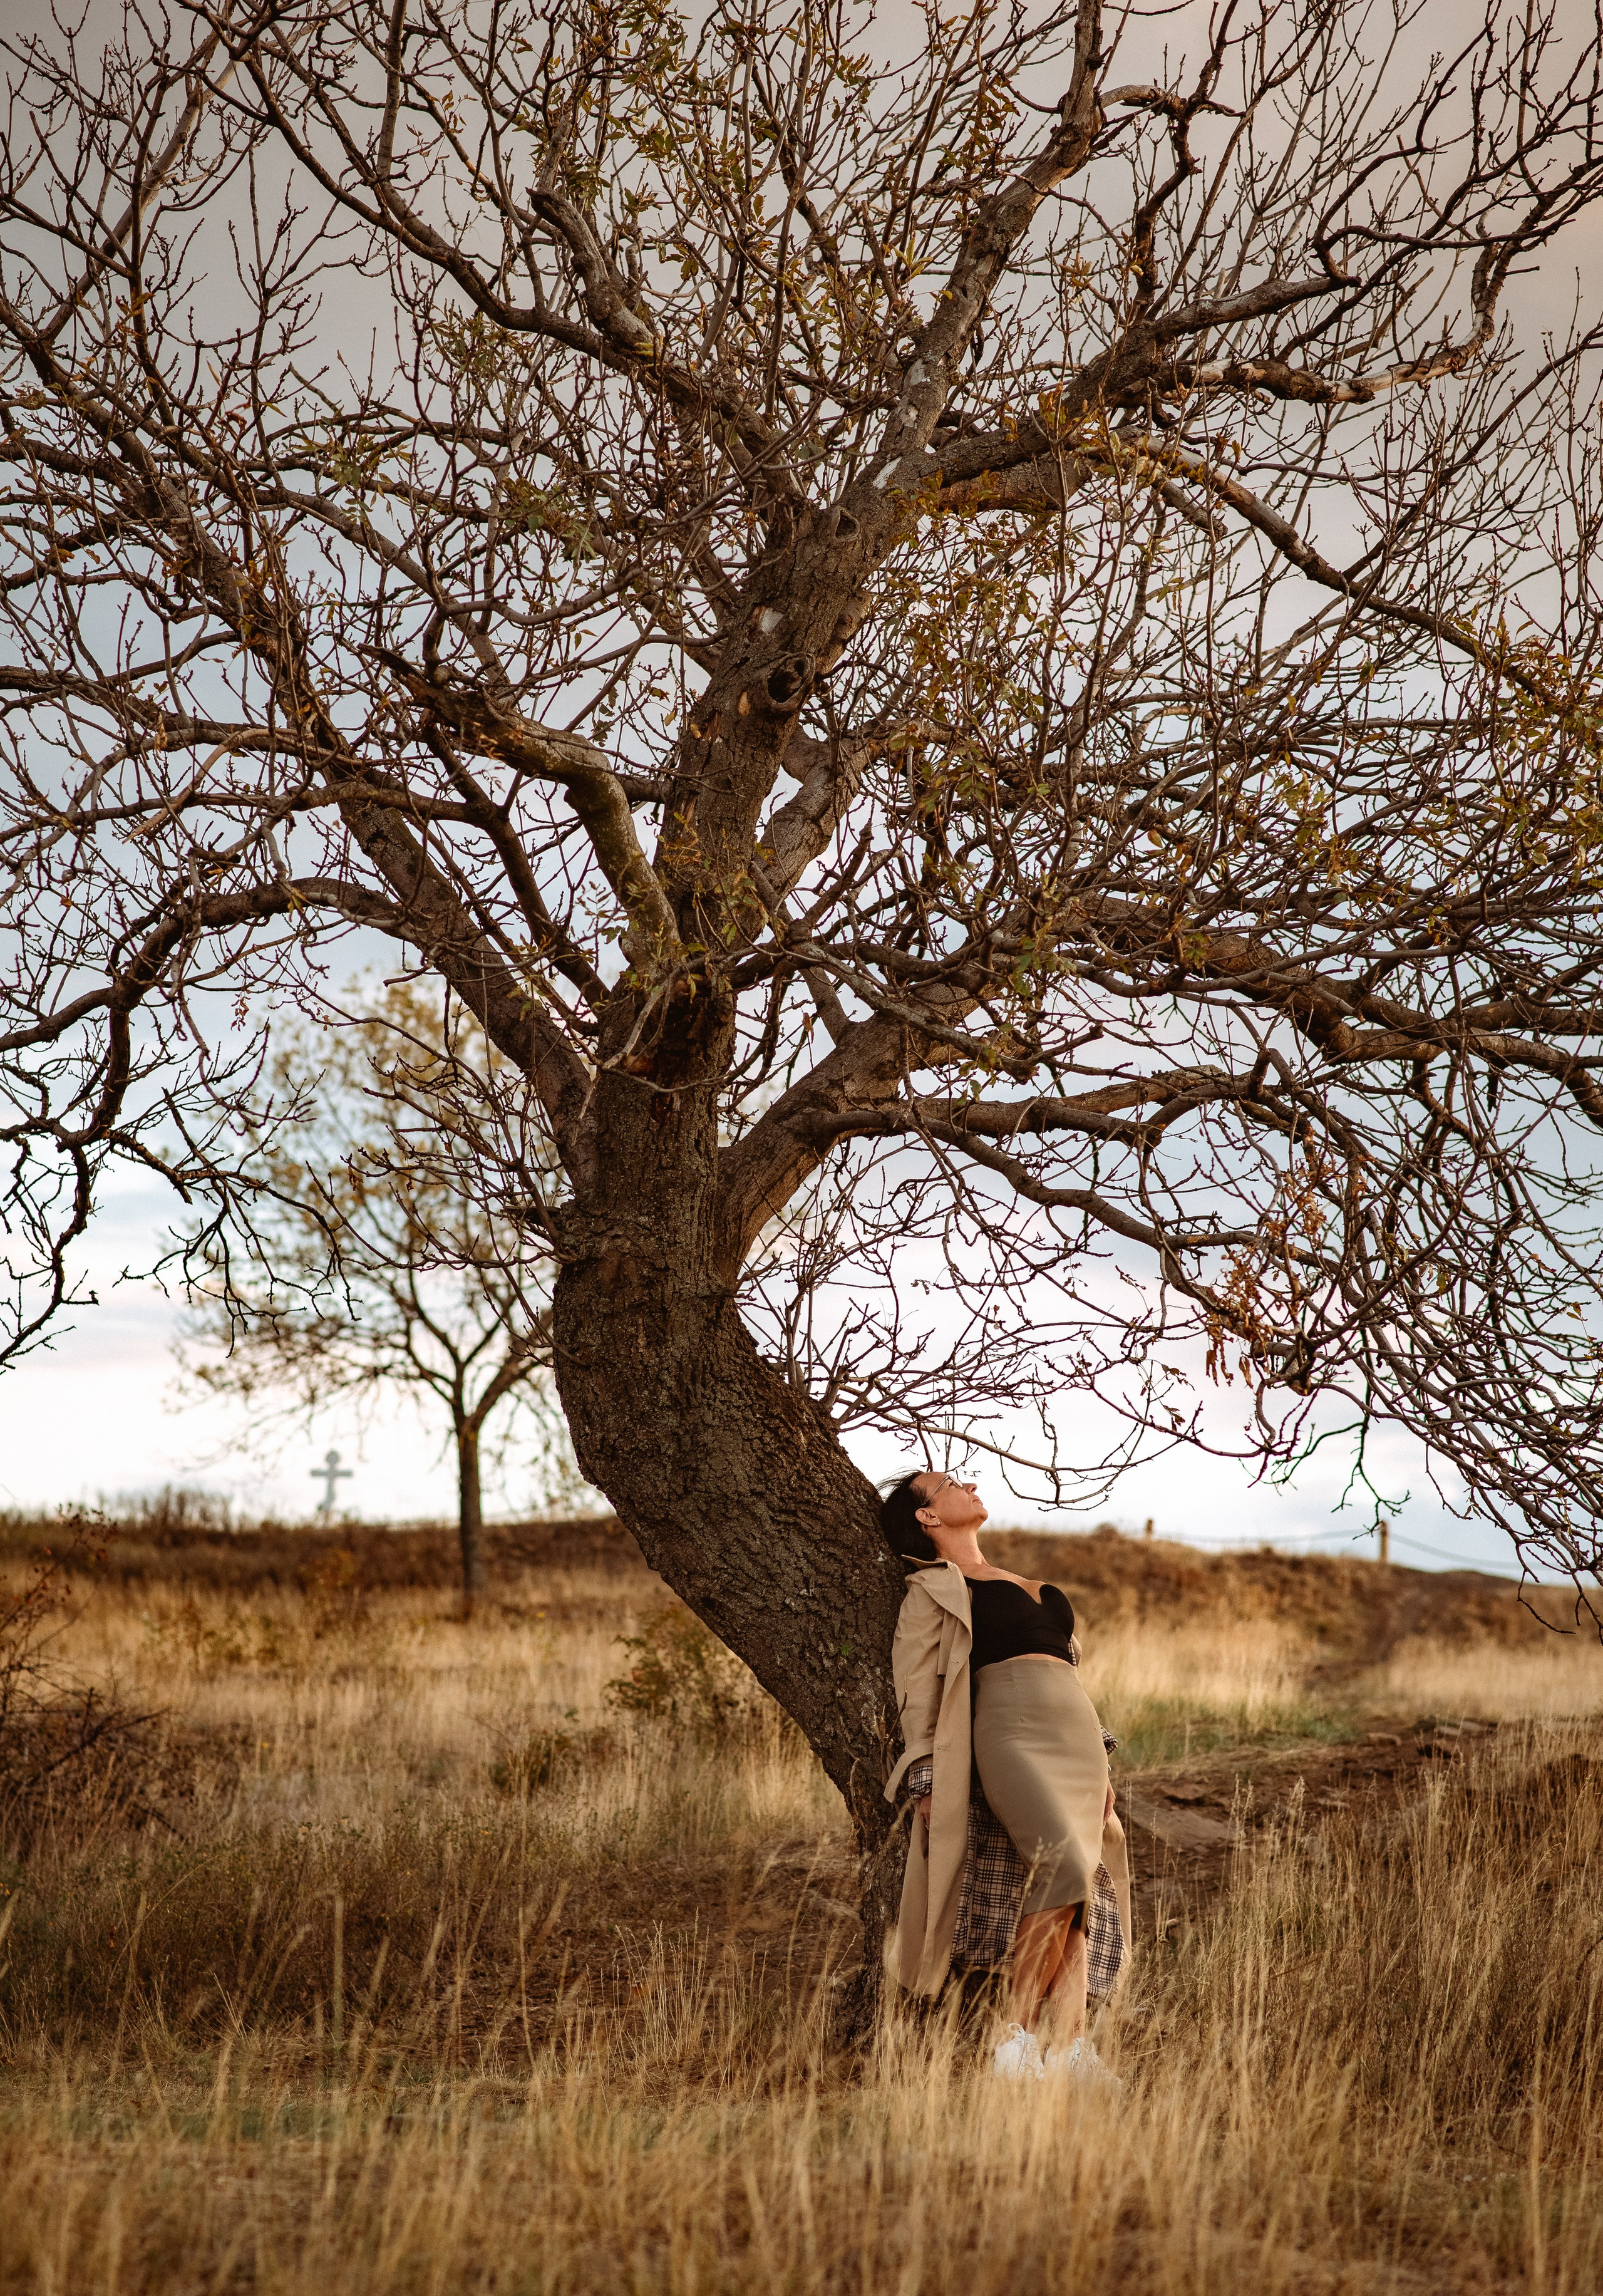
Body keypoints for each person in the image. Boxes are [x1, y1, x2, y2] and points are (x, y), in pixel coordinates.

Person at [880, 1466, 1131, 2082]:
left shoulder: (1040, 1588)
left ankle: (1070, 2052)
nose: (967, 1484)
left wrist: (1101, 1758)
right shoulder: (932, 1591)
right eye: (948, 1485)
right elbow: (916, 1688)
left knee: (1079, 1898)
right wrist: (924, 1776)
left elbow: (1073, 1680)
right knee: (1064, 1867)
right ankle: (1012, 2041)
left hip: (1077, 1742)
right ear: (927, 1517)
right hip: (1008, 1733)